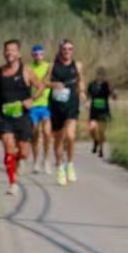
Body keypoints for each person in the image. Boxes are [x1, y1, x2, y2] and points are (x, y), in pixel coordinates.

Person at [0, 39, 34, 196]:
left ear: (19, 53)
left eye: (13, 50)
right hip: (5, 116)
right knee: (8, 144)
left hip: (23, 116)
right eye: (7, 50)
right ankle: (12, 183)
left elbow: (41, 86)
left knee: (24, 152)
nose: (9, 53)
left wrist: (31, 99)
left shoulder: (26, 70)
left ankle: (18, 159)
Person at [44, 39, 84, 185]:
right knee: (59, 138)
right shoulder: (52, 65)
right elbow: (44, 82)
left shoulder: (77, 65)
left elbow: (81, 80)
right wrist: (54, 84)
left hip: (72, 103)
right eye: (65, 49)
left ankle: (70, 164)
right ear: (60, 50)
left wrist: (83, 92)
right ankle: (60, 166)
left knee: (71, 136)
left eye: (70, 49)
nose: (67, 51)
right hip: (56, 105)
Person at [24, 43, 52, 174]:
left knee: (47, 133)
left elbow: (50, 82)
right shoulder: (28, 67)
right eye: (35, 54)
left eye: (40, 54)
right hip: (33, 105)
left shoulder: (48, 66)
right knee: (34, 133)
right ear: (32, 55)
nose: (38, 57)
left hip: (46, 104)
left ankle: (46, 160)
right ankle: (35, 161)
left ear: (44, 54)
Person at [86, 69, 113, 159]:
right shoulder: (91, 85)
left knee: (101, 131)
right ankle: (95, 141)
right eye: (98, 75)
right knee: (92, 129)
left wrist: (113, 93)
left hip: (104, 110)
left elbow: (112, 94)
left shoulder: (106, 85)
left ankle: (101, 149)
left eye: (102, 75)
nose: (100, 77)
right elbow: (87, 95)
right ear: (96, 76)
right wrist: (86, 103)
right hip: (94, 110)